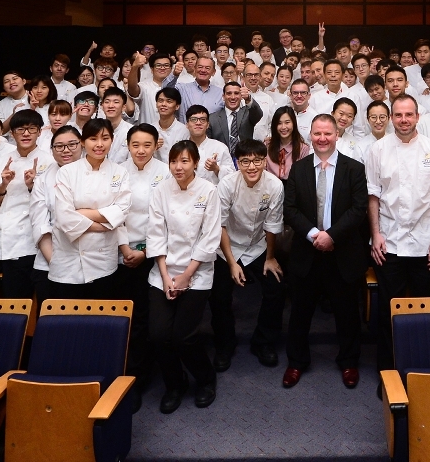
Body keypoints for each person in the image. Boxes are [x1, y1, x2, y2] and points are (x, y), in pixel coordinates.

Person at [282, 114, 369, 390]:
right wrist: (313, 235)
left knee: (347, 313)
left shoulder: (354, 169)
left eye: (327, 134)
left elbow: (359, 210)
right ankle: (296, 362)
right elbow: (290, 210)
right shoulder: (299, 168)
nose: (322, 139)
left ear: (337, 135)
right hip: (306, 252)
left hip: (343, 251)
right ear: (311, 135)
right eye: (317, 134)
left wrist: (331, 236)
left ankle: (349, 361)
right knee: (300, 312)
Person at [367, 94, 430, 372]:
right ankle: (390, 371)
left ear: (417, 117)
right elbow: (373, 196)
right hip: (389, 242)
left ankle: (429, 369)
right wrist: (376, 234)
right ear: (391, 118)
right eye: (398, 115)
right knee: (391, 311)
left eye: (409, 115)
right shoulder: (378, 149)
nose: (404, 120)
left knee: (429, 309)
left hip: (427, 243)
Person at [147, 140, 222, 412]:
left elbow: (210, 236)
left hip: (197, 271)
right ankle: (174, 383)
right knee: (157, 335)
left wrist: (187, 275)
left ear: (196, 163)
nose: (179, 167)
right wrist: (167, 277)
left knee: (183, 336)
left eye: (185, 161)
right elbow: (156, 234)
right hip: (164, 271)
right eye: (174, 161)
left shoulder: (208, 190)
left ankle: (205, 378)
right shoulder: (161, 191)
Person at [211, 139, 285, 371]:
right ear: (237, 163)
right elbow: (220, 225)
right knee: (218, 296)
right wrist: (232, 263)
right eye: (245, 161)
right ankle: (225, 344)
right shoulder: (226, 184)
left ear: (265, 161)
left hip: (258, 246)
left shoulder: (274, 185)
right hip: (228, 247)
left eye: (257, 161)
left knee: (276, 288)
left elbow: (272, 226)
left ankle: (263, 342)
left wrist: (271, 257)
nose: (251, 167)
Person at [46, 118, 130, 300]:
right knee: (66, 323)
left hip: (103, 262)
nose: (99, 144)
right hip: (68, 260)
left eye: (105, 138)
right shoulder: (67, 172)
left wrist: (81, 213)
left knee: (100, 321)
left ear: (112, 140)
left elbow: (121, 211)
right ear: (83, 142)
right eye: (93, 139)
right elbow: (64, 218)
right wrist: (106, 224)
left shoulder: (120, 173)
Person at [0, 109, 50, 299]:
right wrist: (3, 185)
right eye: (20, 129)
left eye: (31, 129)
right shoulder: (0, 163)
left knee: (14, 294)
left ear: (39, 132)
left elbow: (50, 206)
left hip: (26, 236)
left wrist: (33, 186)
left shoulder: (49, 161)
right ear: (12, 133)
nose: (26, 134)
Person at [30, 124, 84, 310]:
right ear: (52, 150)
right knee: (52, 325)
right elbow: (40, 223)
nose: (65, 150)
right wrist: (55, 262)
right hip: (50, 261)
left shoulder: (95, 173)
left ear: (82, 145)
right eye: (59, 146)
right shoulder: (43, 179)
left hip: (90, 263)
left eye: (72, 144)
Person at [209, 81, 264, 165]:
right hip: (221, 163)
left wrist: (248, 98)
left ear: (241, 96)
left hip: (245, 161)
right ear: (223, 97)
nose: (233, 97)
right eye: (229, 93)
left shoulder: (248, 113)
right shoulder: (212, 118)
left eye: (236, 93)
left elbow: (258, 114)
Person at [182, 105, 231, 182]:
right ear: (187, 125)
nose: (198, 123)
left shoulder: (220, 147)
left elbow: (232, 177)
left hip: (213, 192)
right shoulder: (180, 148)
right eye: (194, 119)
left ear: (207, 125)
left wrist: (216, 168)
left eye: (202, 120)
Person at [129, 52, 174, 127]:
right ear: (152, 69)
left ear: (171, 69)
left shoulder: (177, 86)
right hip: (147, 133)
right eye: (158, 65)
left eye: (166, 65)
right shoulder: (144, 86)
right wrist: (135, 66)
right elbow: (132, 88)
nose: (162, 68)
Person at [266, 105, 309, 180]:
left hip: (293, 188)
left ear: (293, 123)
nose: (283, 127)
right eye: (279, 123)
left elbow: (303, 178)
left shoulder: (303, 149)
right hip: (270, 189)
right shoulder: (267, 145)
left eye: (287, 122)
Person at [152, 86, 188, 160]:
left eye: (169, 101)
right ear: (156, 104)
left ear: (177, 106)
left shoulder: (184, 130)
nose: (163, 104)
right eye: (160, 101)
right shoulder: (150, 129)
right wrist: (152, 148)